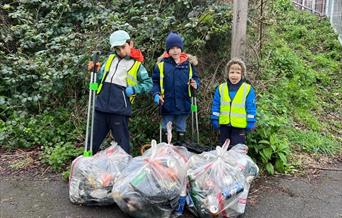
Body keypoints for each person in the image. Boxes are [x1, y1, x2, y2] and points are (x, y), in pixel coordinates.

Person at [87, 30, 152, 154]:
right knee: (92, 141)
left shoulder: (137, 65)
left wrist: (134, 89)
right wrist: (96, 71)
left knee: (122, 144)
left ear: (130, 44)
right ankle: (87, 166)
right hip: (101, 107)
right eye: (117, 49)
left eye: (123, 47)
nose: (121, 51)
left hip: (120, 110)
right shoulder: (110, 59)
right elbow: (101, 77)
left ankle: (125, 168)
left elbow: (148, 84)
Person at [151, 32, 200, 143]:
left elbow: (196, 78)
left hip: (184, 104)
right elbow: (155, 82)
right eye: (172, 48)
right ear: (168, 50)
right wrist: (156, 94)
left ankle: (179, 153)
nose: (175, 50)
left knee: (181, 129)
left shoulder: (188, 64)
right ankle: (164, 153)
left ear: (181, 49)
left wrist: (195, 84)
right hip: (166, 104)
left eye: (178, 47)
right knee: (165, 130)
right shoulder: (161, 65)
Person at [211, 57, 256, 148]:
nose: (234, 75)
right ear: (227, 74)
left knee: (237, 150)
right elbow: (216, 105)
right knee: (223, 149)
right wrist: (215, 118)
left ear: (242, 74)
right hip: (224, 125)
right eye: (232, 72)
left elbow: (251, 107)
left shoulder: (247, 89)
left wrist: (250, 121)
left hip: (239, 126)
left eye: (238, 73)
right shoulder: (221, 88)